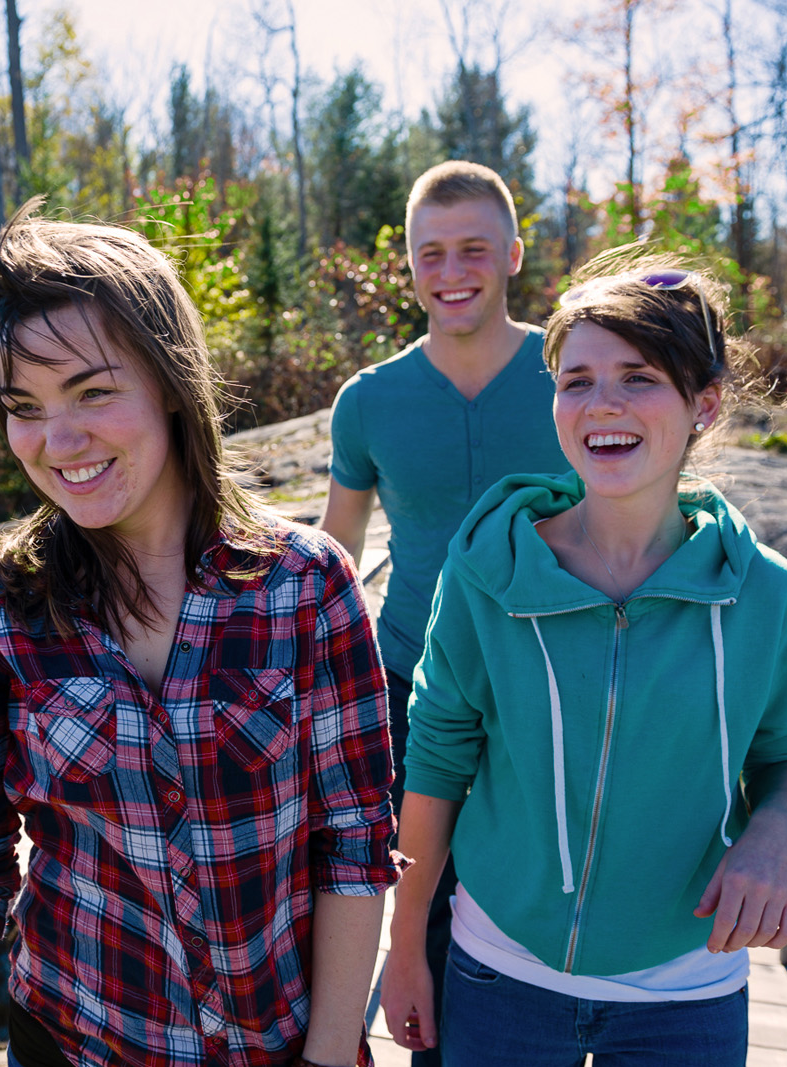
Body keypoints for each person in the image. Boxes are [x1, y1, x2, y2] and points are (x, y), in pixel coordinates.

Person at [0, 208, 402, 1067]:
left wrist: (326, 1057)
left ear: (170, 381)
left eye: (93, 391)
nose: (57, 442)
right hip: (74, 1041)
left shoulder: (304, 587)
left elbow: (352, 843)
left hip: (279, 1046)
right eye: (24, 405)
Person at [380, 254, 787, 1066]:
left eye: (638, 376)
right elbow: (437, 762)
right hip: (498, 971)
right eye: (576, 379)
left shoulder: (764, 596)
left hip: (686, 987)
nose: (602, 404)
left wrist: (772, 829)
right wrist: (406, 943)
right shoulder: (486, 573)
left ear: (704, 403)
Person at [320, 160, 566, 1059]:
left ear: (510, 253)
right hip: (406, 684)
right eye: (431, 252)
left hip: (551, 684)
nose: (451, 268)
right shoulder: (369, 400)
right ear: (411, 267)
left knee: (524, 898)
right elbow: (336, 552)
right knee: (417, 895)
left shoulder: (572, 374)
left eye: (471, 248)